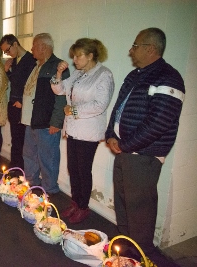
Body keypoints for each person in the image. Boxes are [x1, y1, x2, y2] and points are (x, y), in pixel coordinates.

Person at [105, 28, 185, 264]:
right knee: (123, 201)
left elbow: (159, 122)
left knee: (140, 208)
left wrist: (125, 144)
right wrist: (111, 134)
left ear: (151, 48)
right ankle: (125, 246)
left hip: (143, 155)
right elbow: (118, 109)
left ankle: (141, 255)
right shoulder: (135, 75)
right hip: (125, 150)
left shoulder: (169, 78)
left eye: (135, 45)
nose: (131, 50)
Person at [51, 38, 114, 224]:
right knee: (73, 169)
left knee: (83, 170)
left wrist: (74, 110)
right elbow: (59, 90)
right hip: (73, 129)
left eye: (79, 56)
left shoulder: (104, 75)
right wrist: (58, 73)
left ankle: (83, 207)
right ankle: (75, 202)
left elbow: (101, 104)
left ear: (91, 55)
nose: (75, 60)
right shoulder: (79, 74)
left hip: (89, 132)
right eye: (74, 56)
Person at [21, 33, 69, 195]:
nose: (32, 49)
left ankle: (50, 189)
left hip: (46, 122)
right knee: (29, 155)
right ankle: (32, 184)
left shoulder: (58, 67)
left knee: (48, 158)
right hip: (30, 121)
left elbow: (62, 97)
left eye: (34, 46)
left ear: (43, 47)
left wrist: (56, 121)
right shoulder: (37, 66)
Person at [0, 34, 36, 169]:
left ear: (15, 44)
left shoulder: (30, 60)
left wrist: (21, 100)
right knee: (15, 138)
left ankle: (20, 168)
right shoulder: (15, 60)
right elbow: (15, 81)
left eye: (8, 50)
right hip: (13, 103)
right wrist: (7, 71)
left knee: (22, 140)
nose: (7, 53)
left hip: (22, 104)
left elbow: (30, 84)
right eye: (5, 52)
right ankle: (14, 165)